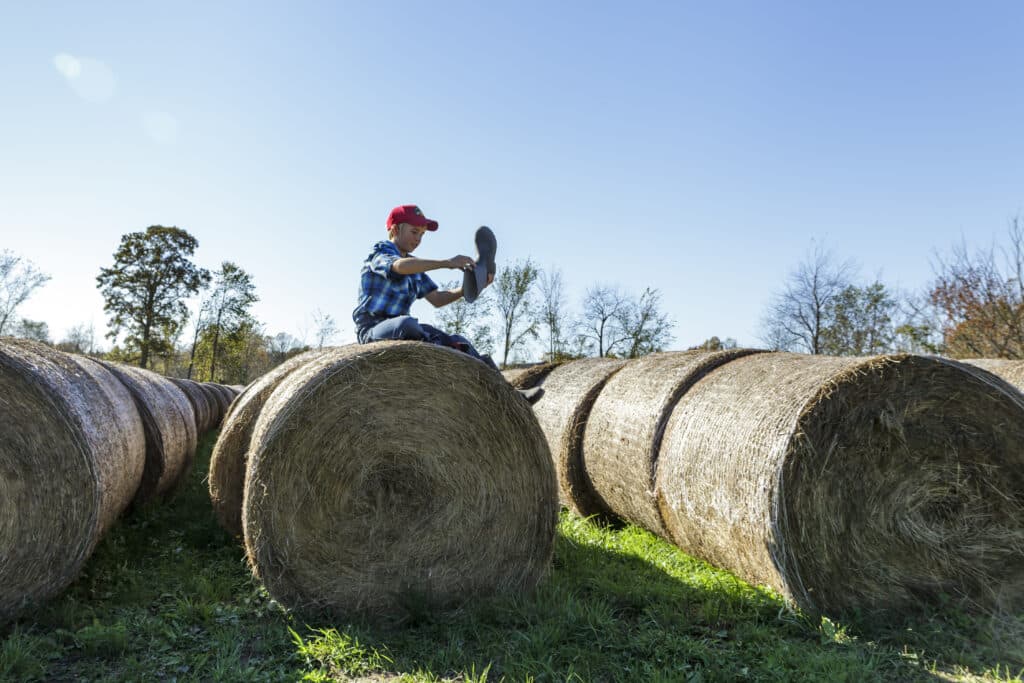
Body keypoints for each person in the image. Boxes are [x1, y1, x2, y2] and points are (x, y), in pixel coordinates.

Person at [352, 204, 542, 402]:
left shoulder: (414, 267)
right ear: (394, 230)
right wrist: (447, 263)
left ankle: (511, 396)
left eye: (422, 234)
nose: (418, 239)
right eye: (414, 232)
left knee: (459, 342)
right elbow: (399, 266)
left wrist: (469, 287)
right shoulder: (380, 253)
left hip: (404, 330)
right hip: (372, 330)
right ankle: (438, 356)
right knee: (408, 325)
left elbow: (438, 299)